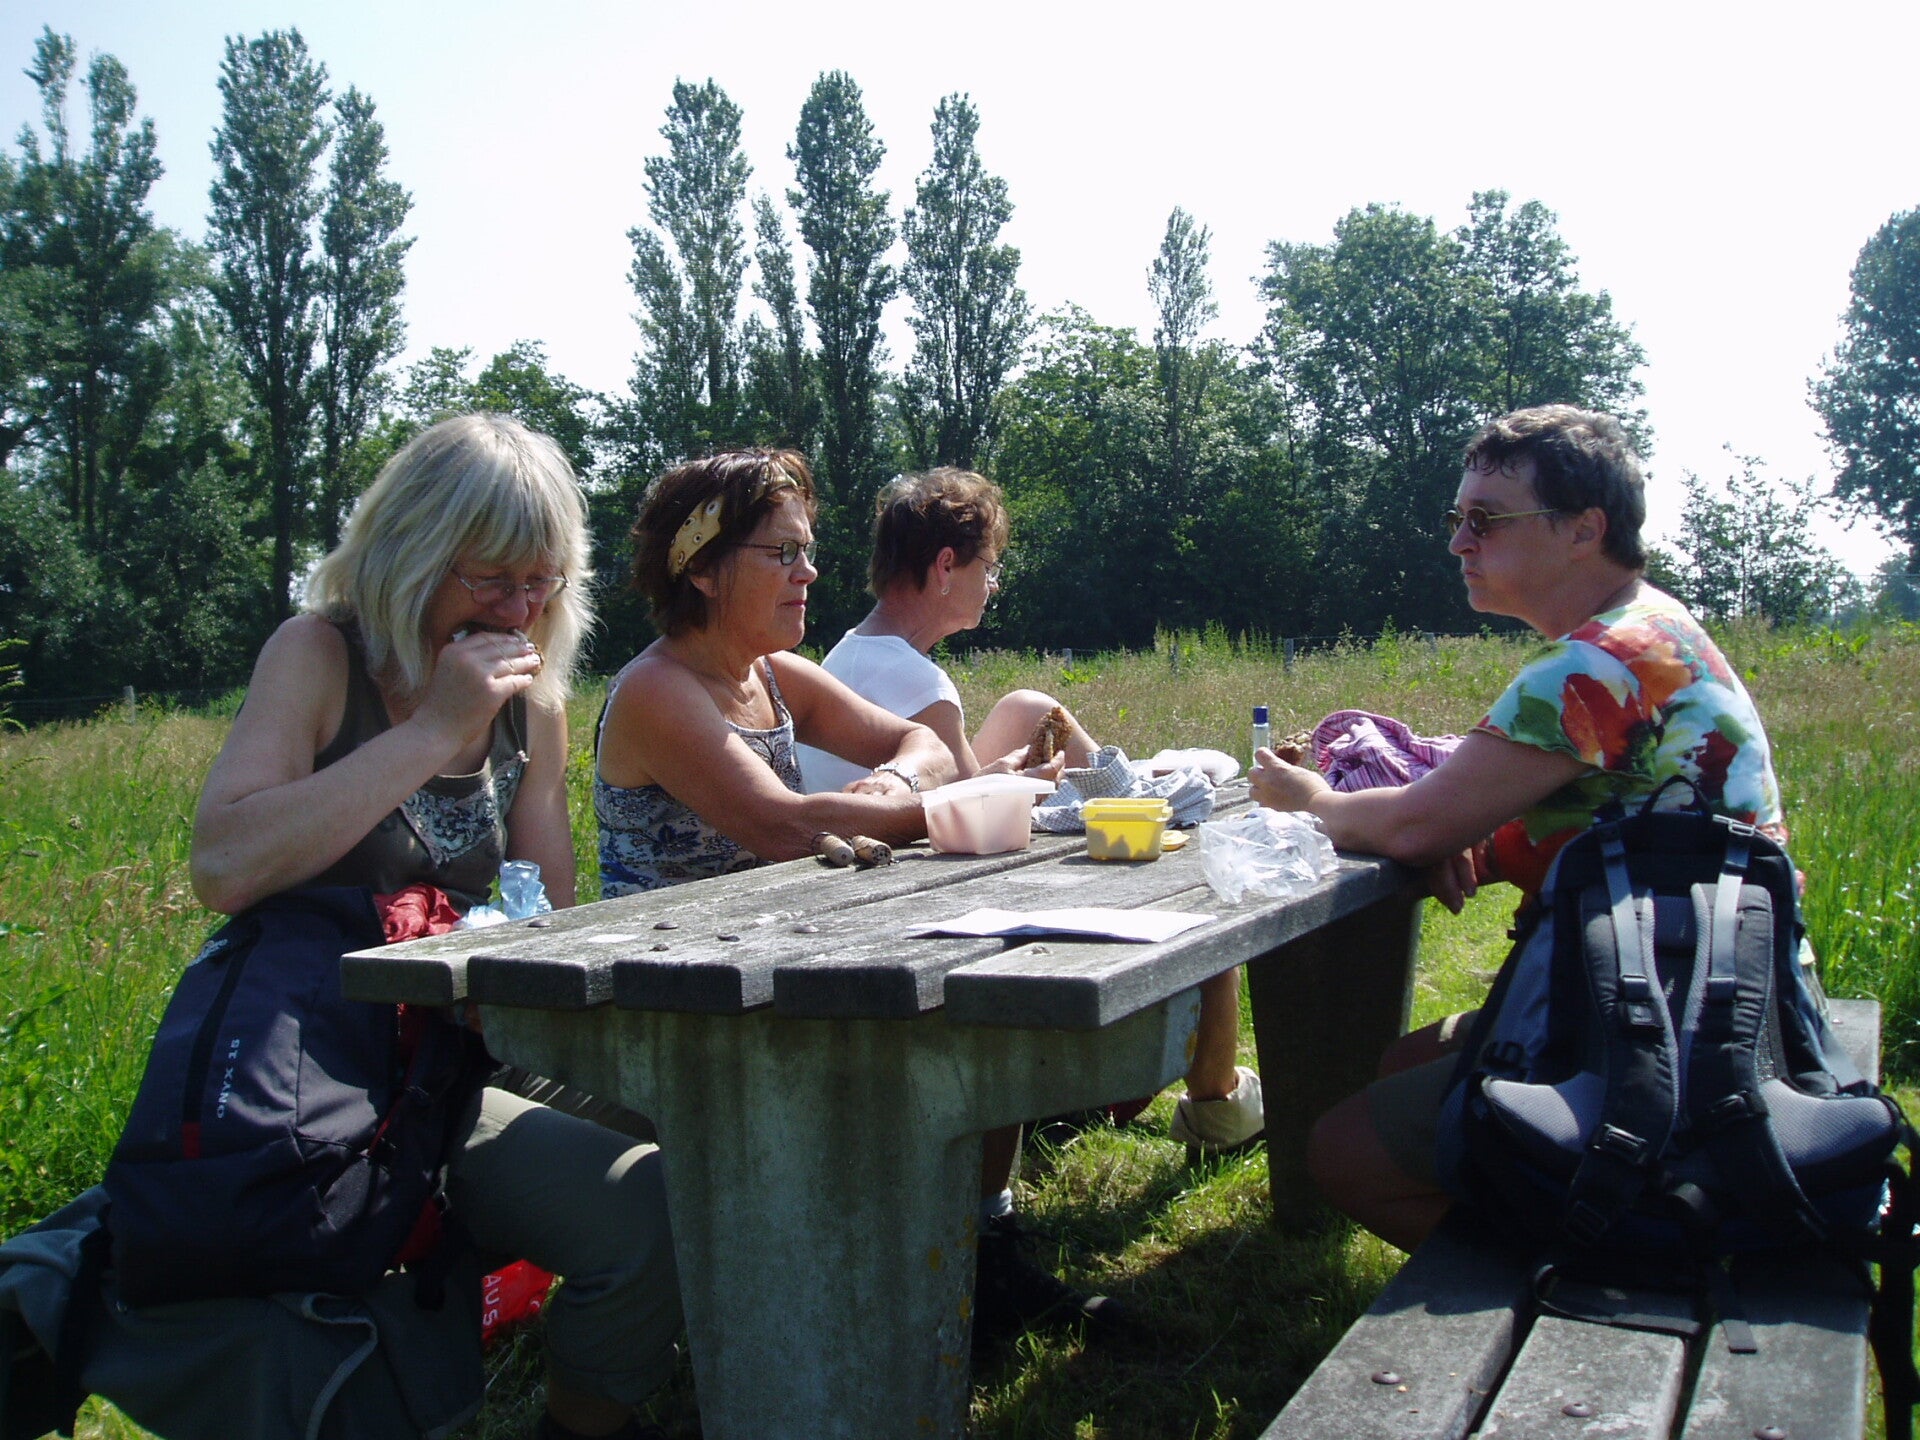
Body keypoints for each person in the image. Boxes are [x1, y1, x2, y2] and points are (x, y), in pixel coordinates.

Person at [190, 413, 678, 1440]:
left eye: (541, 582)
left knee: (700, 1100)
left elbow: (545, 916)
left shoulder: (531, 701)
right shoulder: (319, 655)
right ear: (409, 554)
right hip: (332, 1080)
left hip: (461, 1057)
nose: (520, 610)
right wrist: (433, 730)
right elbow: (222, 865)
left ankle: (627, 1382)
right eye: (491, 580)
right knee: (641, 1214)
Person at [1250, 404, 1788, 1254]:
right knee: (1399, 1065)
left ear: (1584, 529)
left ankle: (1614, 1268)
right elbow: (1598, 818)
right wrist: (1466, 840)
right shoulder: (1648, 630)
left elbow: (1410, 826)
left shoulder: (1594, 664)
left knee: (1342, 1154)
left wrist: (1308, 796)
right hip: (1713, 984)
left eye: (1487, 520)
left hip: (1669, 1025)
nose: (1459, 543)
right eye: (1457, 518)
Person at [791, 468, 1263, 1333]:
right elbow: (970, 828)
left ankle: (1205, 1097)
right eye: (989, 566)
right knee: (1192, 900)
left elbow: (949, 793)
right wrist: (1035, 791)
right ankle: (1208, 1104)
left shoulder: (848, 657)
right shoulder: (920, 684)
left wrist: (1012, 775)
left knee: (1032, 705)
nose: (994, 584)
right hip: (903, 925)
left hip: (864, 899)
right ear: (945, 565)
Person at [595, 449, 956, 895]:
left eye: (805, 550)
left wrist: (896, 778)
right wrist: (974, 802)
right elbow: (786, 826)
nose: (808, 572)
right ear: (702, 568)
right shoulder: (655, 689)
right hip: (660, 938)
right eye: (784, 552)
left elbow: (927, 744)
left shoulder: (772, 674)